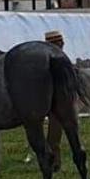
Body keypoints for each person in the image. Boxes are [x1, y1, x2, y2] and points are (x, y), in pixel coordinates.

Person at [24, 30, 66, 171]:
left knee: (53, 136)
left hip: (55, 101)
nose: (61, 45)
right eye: (58, 43)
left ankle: (53, 162)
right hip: (45, 100)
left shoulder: (60, 59)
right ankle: (48, 159)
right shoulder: (44, 60)